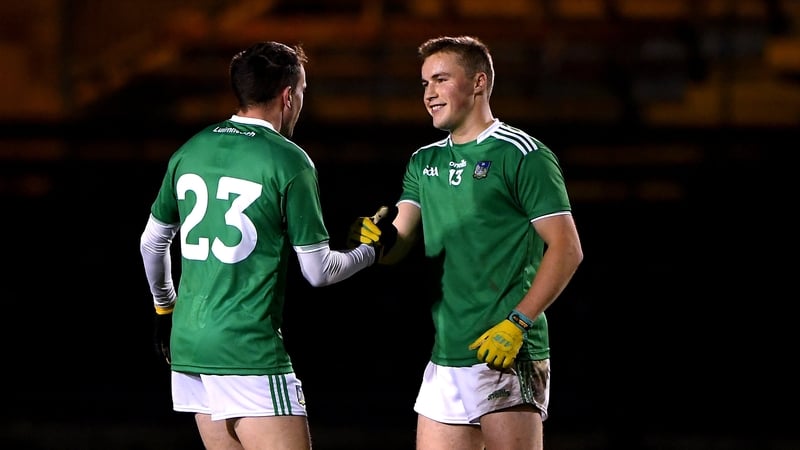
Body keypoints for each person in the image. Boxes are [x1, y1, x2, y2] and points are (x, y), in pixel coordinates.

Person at [139, 41, 382, 450]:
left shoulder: (192, 148)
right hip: (247, 349)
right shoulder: (290, 160)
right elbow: (320, 272)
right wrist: (373, 251)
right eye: (302, 91)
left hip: (189, 348)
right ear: (288, 95)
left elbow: (152, 243)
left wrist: (165, 309)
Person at [351, 35, 584, 449]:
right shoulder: (424, 161)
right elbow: (399, 241)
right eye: (424, 84)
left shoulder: (522, 154)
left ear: (478, 83)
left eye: (440, 80)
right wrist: (376, 242)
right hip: (446, 356)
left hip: (507, 353)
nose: (429, 93)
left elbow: (567, 249)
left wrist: (518, 323)